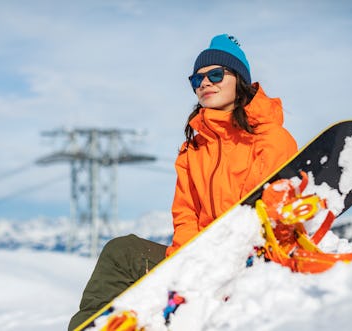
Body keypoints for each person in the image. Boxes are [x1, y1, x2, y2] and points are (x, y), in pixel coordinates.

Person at [68, 33, 297, 331]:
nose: (204, 83)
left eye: (215, 74)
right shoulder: (193, 148)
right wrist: (187, 263)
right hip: (200, 257)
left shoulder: (270, 140)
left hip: (248, 260)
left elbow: (272, 212)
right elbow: (185, 213)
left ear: (239, 80)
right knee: (121, 251)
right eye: (196, 79)